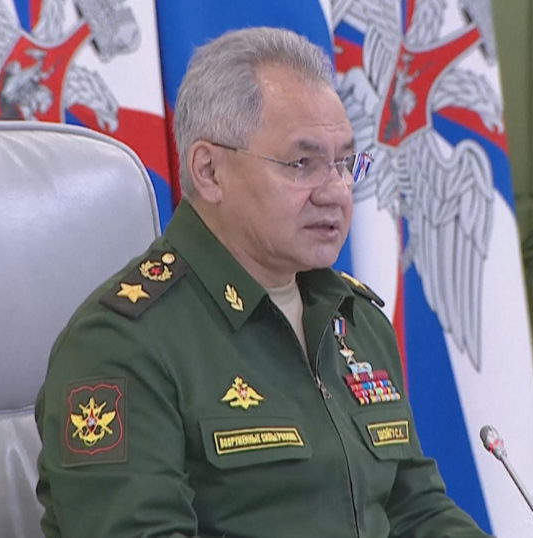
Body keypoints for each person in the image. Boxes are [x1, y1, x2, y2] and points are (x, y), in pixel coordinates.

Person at [34, 26, 491, 538]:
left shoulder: (354, 319)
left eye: (344, 163)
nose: (337, 192)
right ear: (209, 171)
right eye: (302, 164)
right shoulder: (120, 345)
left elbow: (415, 510)